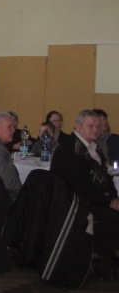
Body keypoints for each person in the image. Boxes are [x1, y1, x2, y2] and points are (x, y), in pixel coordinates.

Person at [50, 110, 119, 278]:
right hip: (76, 203)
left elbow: (106, 178)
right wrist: (108, 202)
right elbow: (80, 185)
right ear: (78, 126)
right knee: (113, 216)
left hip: (93, 199)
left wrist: (114, 198)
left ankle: (107, 259)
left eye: (98, 126)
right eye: (90, 126)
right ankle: (101, 261)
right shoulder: (69, 149)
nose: (95, 129)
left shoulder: (94, 147)